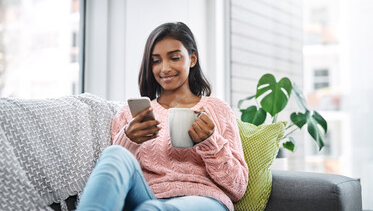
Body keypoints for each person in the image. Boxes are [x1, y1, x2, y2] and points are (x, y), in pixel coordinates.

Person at [77, 22, 248, 211]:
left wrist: (210, 142)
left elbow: (238, 188)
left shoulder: (218, 109)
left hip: (204, 199)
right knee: (115, 153)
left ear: (192, 59)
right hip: (147, 195)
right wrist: (128, 140)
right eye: (156, 61)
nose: (165, 68)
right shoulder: (131, 114)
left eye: (174, 58)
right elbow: (118, 179)